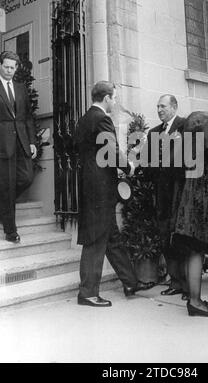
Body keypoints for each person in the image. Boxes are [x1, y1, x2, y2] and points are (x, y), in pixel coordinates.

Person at [75, 81, 154, 307]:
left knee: (111, 238)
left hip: (92, 186)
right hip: (100, 188)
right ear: (107, 98)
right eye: (115, 98)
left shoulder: (84, 119)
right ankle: (88, 293)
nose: (115, 102)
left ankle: (131, 282)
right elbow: (110, 150)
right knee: (96, 239)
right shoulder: (101, 119)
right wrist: (128, 165)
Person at [171, 112, 208, 316]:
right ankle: (195, 301)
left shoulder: (181, 148)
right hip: (200, 206)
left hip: (183, 206)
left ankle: (192, 296)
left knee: (189, 253)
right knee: (196, 253)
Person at [145, 94, 187, 297]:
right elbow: (148, 166)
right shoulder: (154, 133)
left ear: (174, 107)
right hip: (162, 196)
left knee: (181, 239)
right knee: (165, 238)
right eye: (157, 106)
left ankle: (188, 283)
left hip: (181, 195)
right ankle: (175, 281)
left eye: (163, 106)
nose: (159, 110)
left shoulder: (185, 126)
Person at [0, 51, 37, 243]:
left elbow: (27, 117)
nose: (9, 70)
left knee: (26, 177)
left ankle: (2, 205)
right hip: (2, 144)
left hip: (21, 141)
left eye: (12, 67)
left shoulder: (21, 87)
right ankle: (10, 231)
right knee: (7, 185)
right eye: (6, 66)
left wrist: (32, 141)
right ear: (0, 66)